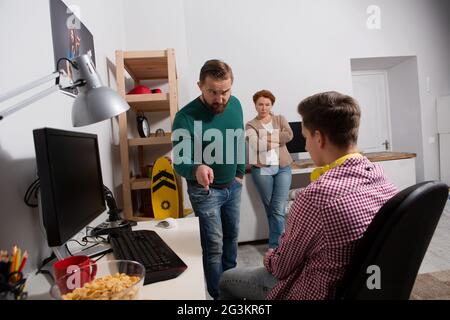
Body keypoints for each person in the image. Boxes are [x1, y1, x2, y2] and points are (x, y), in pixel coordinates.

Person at [219, 91, 398, 300]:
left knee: (227, 279)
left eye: (305, 137)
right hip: (366, 285)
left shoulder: (316, 197)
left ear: (319, 138)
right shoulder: (382, 178)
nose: (305, 145)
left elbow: (280, 268)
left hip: (318, 291)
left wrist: (270, 257)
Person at [172, 59, 245, 299]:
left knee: (232, 238)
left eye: (225, 91)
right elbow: (180, 162)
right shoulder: (185, 117)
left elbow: (239, 140)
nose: (220, 98)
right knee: (213, 247)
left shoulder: (236, 105)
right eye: (212, 92)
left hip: (232, 187)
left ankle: (231, 287)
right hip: (204, 191)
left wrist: (239, 173)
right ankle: (218, 296)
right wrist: (196, 168)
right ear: (200, 86)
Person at [246, 90, 293, 249]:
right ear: (255, 105)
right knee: (272, 208)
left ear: (272, 104)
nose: (264, 107)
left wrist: (265, 139)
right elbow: (255, 146)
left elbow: (289, 135)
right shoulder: (251, 124)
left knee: (278, 208)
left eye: (267, 104)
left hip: (283, 167)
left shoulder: (280, 119)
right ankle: (280, 247)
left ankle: (276, 246)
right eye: (260, 104)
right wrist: (276, 139)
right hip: (262, 169)